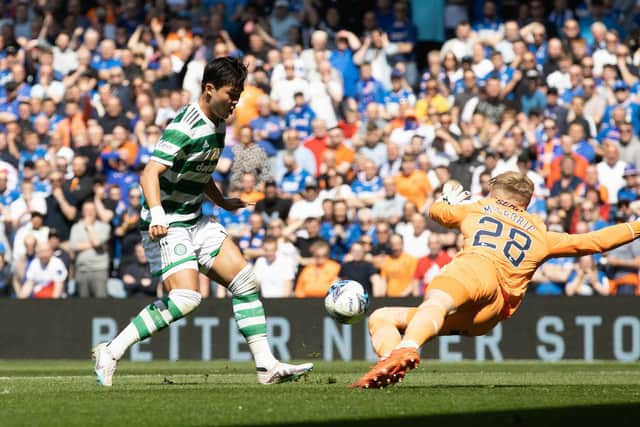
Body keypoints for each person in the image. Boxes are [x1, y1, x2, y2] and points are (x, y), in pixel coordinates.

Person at [93, 57, 312, 387]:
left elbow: (200, 170)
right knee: (186, 299)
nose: (236, 102)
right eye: (231, 94)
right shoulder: (185, 125)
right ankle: (110, 351)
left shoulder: (219, 122)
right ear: (209, 89)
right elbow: (149, 172)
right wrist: (157, 214)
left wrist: (221, 200)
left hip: (194, 217)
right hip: (167, 222)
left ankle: (266, 366)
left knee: (245, 281)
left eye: (239, 95)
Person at [352, 172, 640, 388]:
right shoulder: (541, 234)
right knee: (382, 317)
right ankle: (389, 369)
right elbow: (593, 242)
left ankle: (406, 349)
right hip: (490, 314)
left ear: (494, 191)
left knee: (436, 301)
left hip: (476, 269)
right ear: (526, 202)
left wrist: (447, 195)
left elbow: (436, 212)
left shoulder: (478, 208)